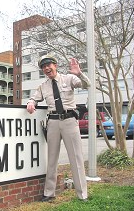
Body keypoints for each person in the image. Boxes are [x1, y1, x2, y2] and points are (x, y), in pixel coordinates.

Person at [26, 55, 90, 202]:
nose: (46, 68)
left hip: (69, 120)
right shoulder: (43, 86)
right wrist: (31, 102)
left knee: (76, 158)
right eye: (43, 67)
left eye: (48, 65)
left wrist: (79, 73)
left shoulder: (69, 78)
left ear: (55, 65)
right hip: (53, 122)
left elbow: (87, 85)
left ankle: (82, 195)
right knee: (52, 159)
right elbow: (34, 98)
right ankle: (49, 193)